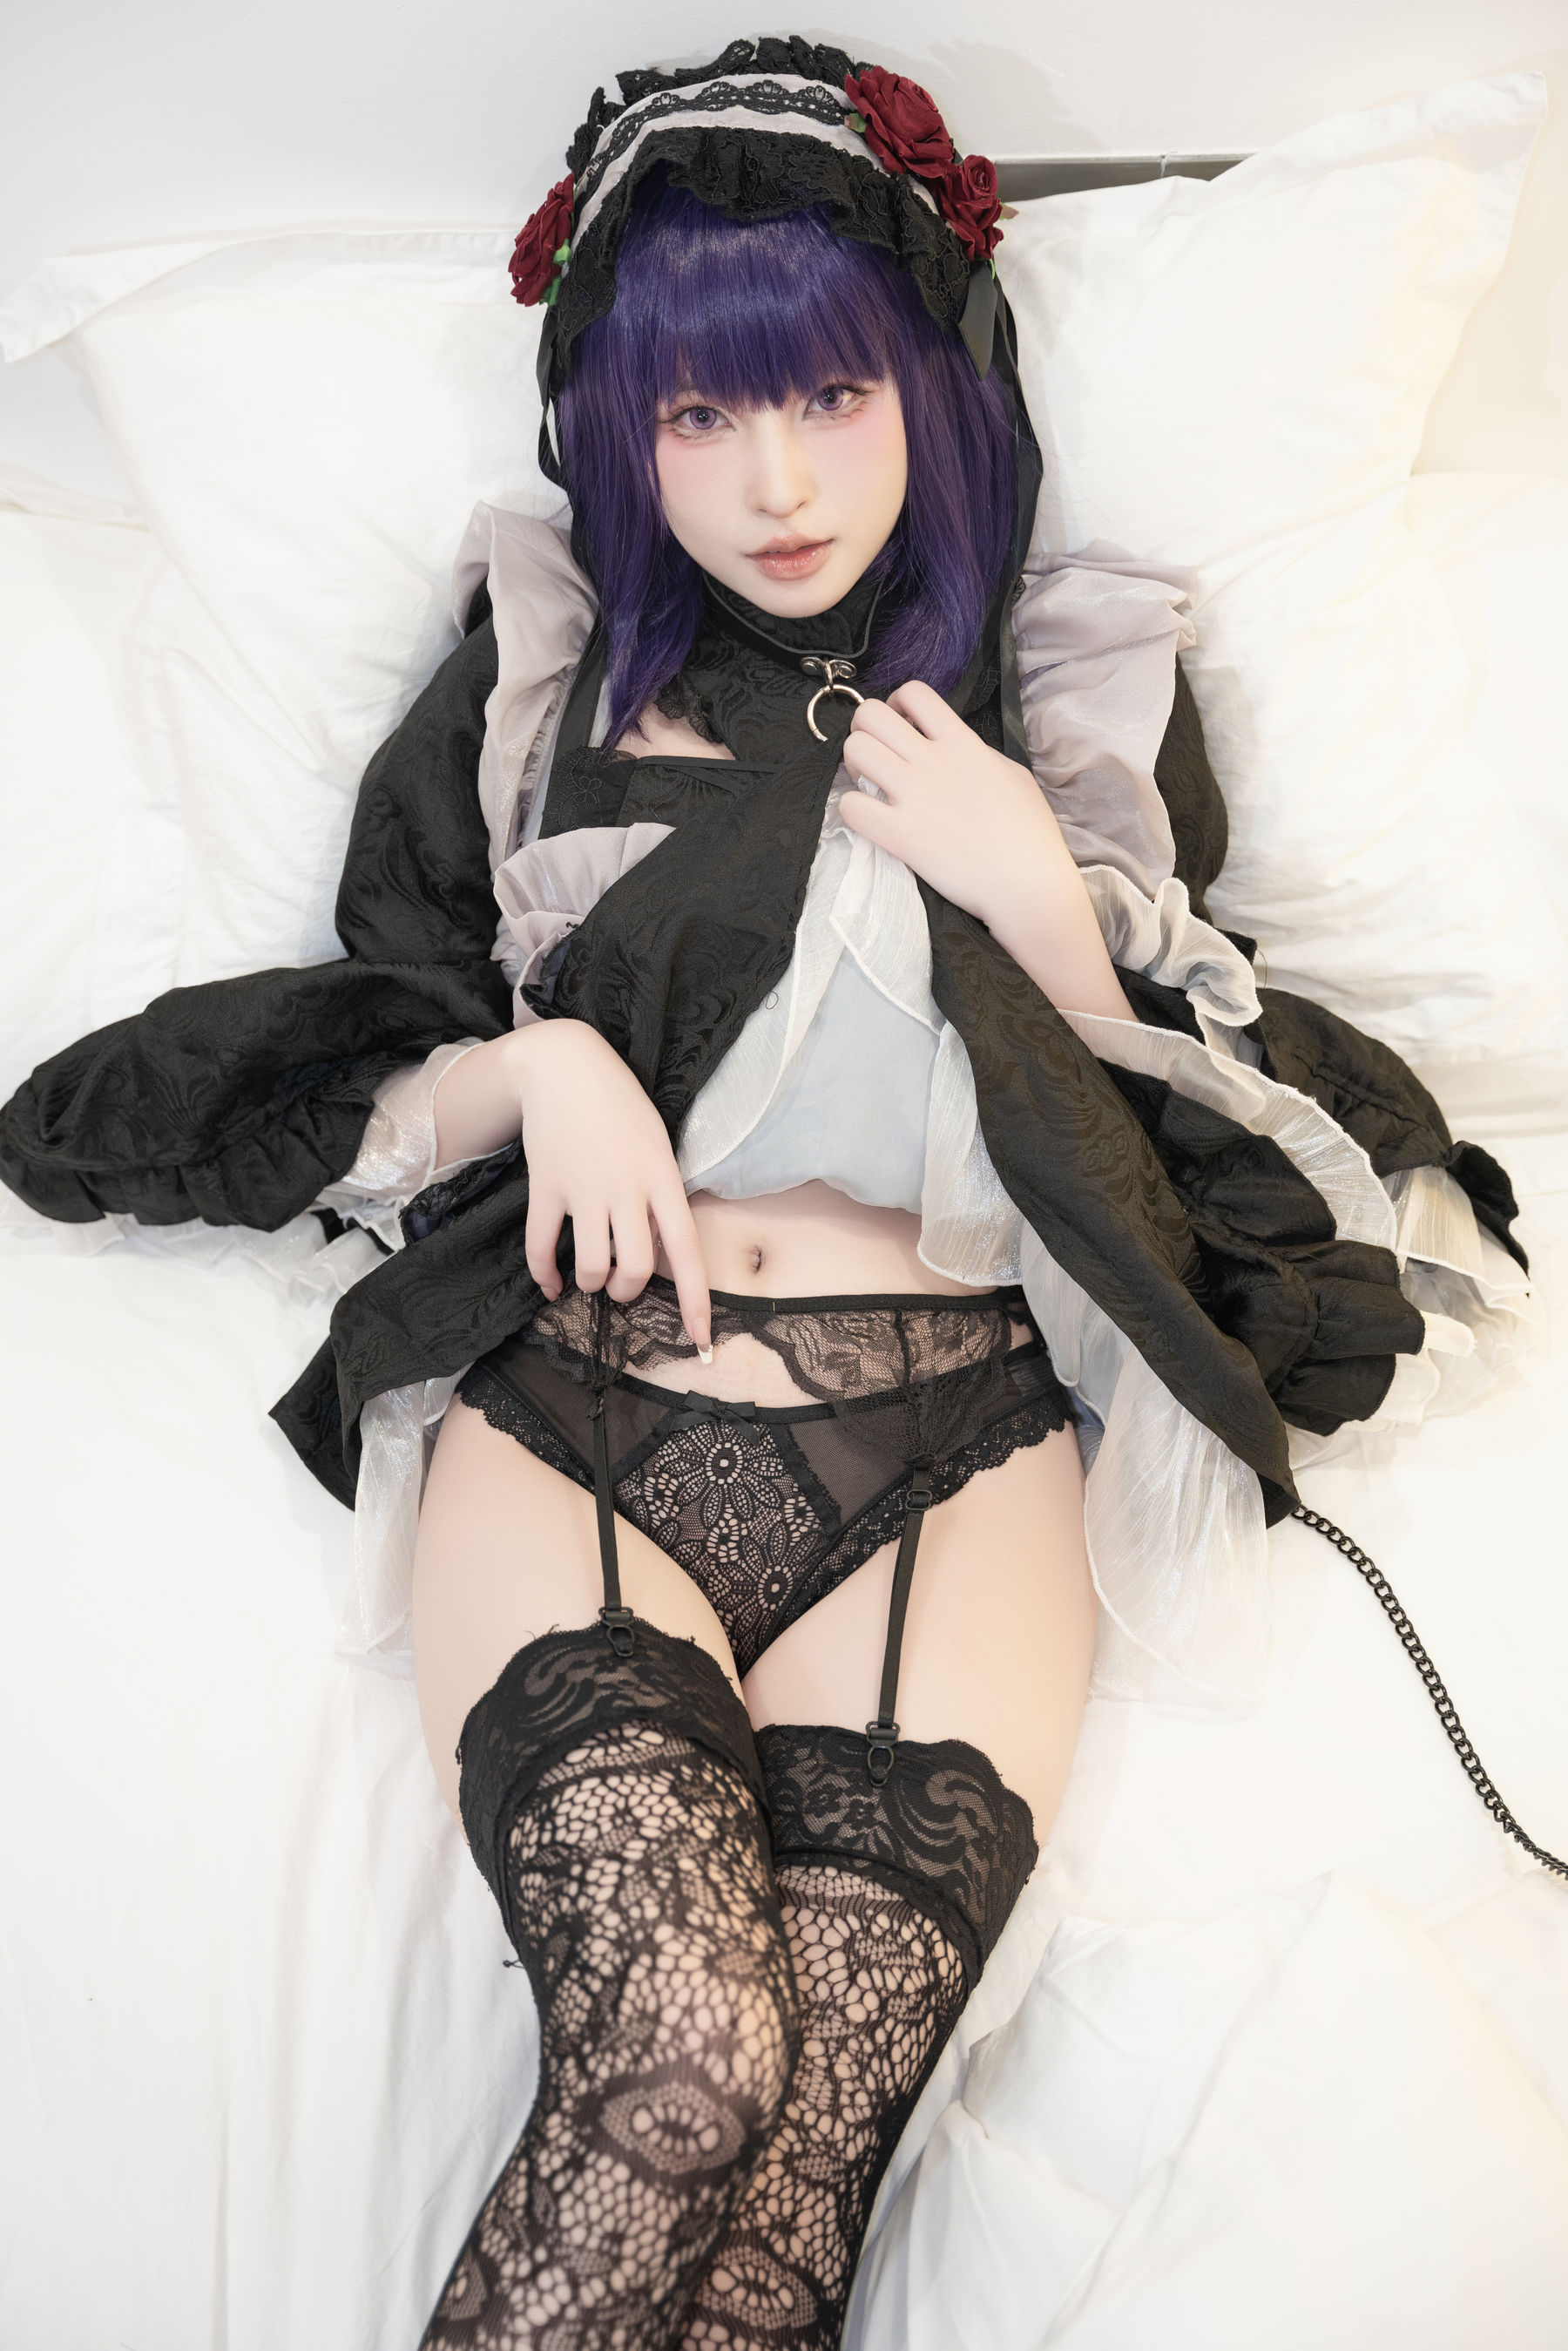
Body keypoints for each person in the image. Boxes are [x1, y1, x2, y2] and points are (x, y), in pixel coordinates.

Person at [0, 37, 1535, 2351]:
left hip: (967, 1449)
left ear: (932, 382)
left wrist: (1047, 905)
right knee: (687, 2059)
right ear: (619, 435)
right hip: (597, 1395)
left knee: (805, 2158)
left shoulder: (1072, 694)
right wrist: (546, 1066)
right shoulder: (545, 672)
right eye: (700, 416)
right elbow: (373, 1051)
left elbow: (1229, 1134)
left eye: (826, 393)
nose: (777, 479)